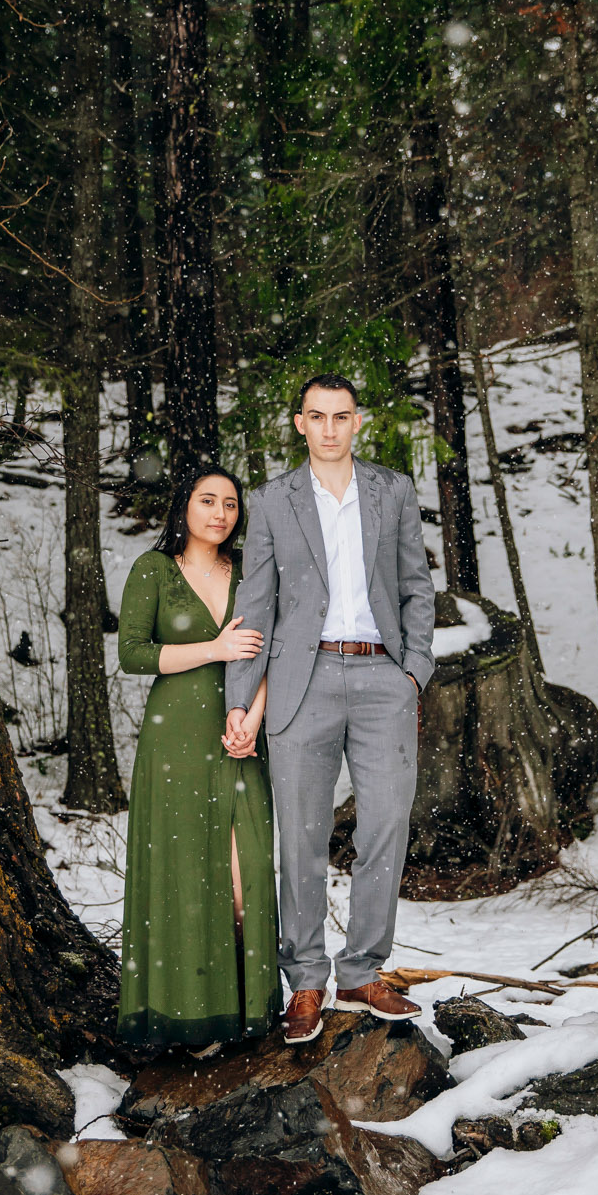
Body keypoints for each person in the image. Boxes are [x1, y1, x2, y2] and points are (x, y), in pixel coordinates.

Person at [223, 373, 436, 1044]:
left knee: (384, 824)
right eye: (317, 416)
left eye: (341, 416)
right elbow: (254, 607)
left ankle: (364, 970)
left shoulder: (392, 491)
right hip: (301, 678)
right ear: (298, 424)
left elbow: (415, 585)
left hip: (381, 676)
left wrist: (415, 673)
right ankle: (307, 981)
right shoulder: (271, 501)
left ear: (358, 422)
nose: (330, 429)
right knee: (303, 837)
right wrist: (239, 696)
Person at [116, 467, 278, 1049]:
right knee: (184, 874)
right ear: (183, 506)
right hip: (175, 740)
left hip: (239, 736)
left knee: (247, 875)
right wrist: (214, 647)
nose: (219, 513)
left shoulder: (252, 572)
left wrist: (252, 720)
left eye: (230, 504)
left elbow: (270, 654)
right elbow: (132, 654)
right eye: (207, 500)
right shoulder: (154, 570)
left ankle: (246, 1011)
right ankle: (190, 1015)